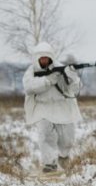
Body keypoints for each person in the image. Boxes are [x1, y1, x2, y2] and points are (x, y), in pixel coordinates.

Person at [22, 42, 82, 173]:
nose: (44, 60)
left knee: (67, 138)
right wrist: (48, 80)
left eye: (46, 57)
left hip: (62, 106)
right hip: (42, 107)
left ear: (51, 57)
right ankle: (50, 164)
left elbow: (74, 89)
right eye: (41, 58)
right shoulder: (31, 71)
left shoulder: (61, 68)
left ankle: (64, 155)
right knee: (45, 135)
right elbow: (29, 87)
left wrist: (72, 77)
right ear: (37, 58)